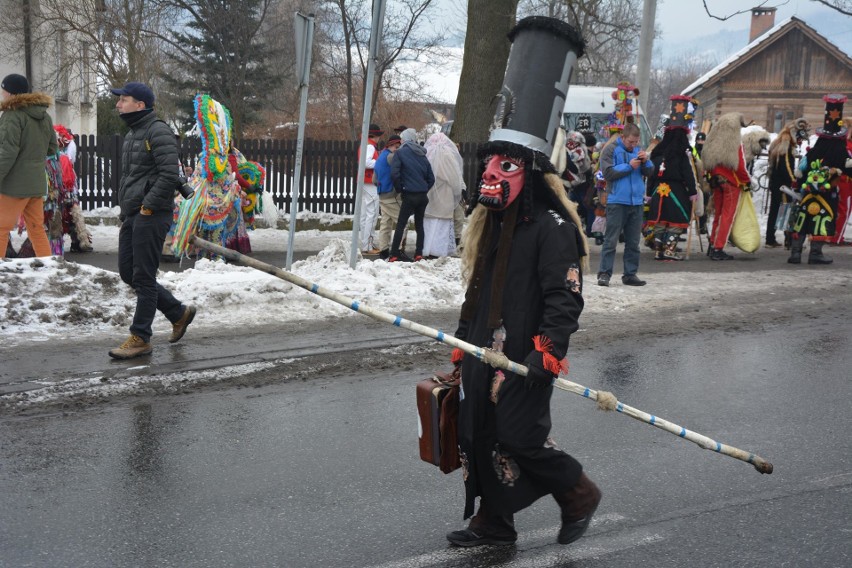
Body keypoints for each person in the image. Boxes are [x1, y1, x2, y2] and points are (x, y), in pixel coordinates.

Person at [447, 15, 600, 550]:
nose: (491, 170)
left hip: (527, 353)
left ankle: (578, 491)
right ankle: (495, 521)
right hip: (482, 349)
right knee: (478, 432)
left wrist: (548, 351)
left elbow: (566, 296)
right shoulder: (490, 223)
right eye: (491, 158)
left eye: (505, 162)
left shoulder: (555, 230)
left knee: (518, 435)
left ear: (529, 173)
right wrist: (463, 338)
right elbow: (479, 288)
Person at [109, 81, 195, 359]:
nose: (118, 104)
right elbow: (135, 176)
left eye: (124, 100)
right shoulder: (136, 132)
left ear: (140, 105)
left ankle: (141, 337)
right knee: (127, 272)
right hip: (134, 213)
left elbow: (169, 175)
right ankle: (177, 312)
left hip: (152, 214)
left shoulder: (158, 131)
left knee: (144, 277)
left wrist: (147, 206)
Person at [789, 94, 852, 264]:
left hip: (807, 191)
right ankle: (815, 253)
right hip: (827, 192)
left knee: (803, 217)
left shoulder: (815, 148)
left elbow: (801, 170)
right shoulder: (840, 148)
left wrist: (800, 184)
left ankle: (795, 253)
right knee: (822, 218)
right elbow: (849, 166)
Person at [0, 73, 56, 259]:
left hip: (14, 184)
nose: (2, 94)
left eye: (4, 90)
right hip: (36, 183)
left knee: (1, 228)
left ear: (11, 92)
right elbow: (52, 149)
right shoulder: (44, 116)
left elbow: (7, 153)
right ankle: (48, 269)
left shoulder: (12, 116)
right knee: (36, 228)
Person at [596, 122, 653, 286]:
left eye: (636, 142)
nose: (633, 145)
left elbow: (649, 172)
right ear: (623, 137)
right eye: (630, 142)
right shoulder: (610, 149)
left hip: (636, 202)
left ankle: (630, 274)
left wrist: (646, 162)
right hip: (616, 202)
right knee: (611, 240)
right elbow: (607, 173)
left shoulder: (638, 150)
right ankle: (604, 273)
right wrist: (629, 166)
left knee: (634, 242)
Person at [645, 95, 700, 261]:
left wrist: (649, 193)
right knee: (675, 222)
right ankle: (669, 250)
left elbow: (651, 176)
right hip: (676, 191)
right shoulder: (681, 155)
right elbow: (688, 175)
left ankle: (658, 251)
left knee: (660, 221)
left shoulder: (657, 154)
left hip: (657, 192)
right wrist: (692, 191)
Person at [701, 112, 751, 260]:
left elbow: (707, 162)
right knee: (727, 216)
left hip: (716, 182)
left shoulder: (713, 142)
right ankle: (718, 248)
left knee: (719, 214)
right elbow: (740, 166)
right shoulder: (734, 143)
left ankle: (712, 244)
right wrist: (746, 181)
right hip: (731, 182)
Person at [389, 128, 434, 262]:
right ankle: (418, 253)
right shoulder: (422, 155)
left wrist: (400, 189)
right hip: (422, 196)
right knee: (419, 225)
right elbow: (431, 179)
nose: (400, 141)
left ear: (406, 139)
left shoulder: (400, 153)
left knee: (401, 224)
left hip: (408, 194)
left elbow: (394, 174)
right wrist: (424, 189)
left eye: (402, 138)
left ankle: (394, 254)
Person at [766, 118, 809, 248]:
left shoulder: (777, 142)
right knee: (787, 211)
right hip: (783, 186)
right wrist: (793, 181)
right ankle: (789, 240)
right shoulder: (785, 144)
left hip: (776, 183)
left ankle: (770, 239)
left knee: (774, 211)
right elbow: (786, 167)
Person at [423, 132, 464, 258]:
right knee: (441, 225)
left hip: (429, 195)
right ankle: (438, 250)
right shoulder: (448, 156)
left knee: (429, 224)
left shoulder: (427, 154)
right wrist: (458, 191)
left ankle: (426, 248)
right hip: (445, 195)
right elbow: (454, 178)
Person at [374, 134, 402, 258]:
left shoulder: (381, 156)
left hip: (382, 193)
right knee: (402, 222)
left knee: (386, 223)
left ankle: (384, 250)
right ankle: (398, 250)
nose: (397, 149)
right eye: (396, 146)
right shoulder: (392, 157)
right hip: (391, 194)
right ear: (390, 145)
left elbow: (375, 179)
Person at [358, 124, 383, 254]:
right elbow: (366, 162)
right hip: (369, 182)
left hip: (364, 182)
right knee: (371, 215)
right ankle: (368, 246)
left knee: (365, 215)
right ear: (375, 136)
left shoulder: (365, 144)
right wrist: (380, 162)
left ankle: (365, 244)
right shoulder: (370, 146)